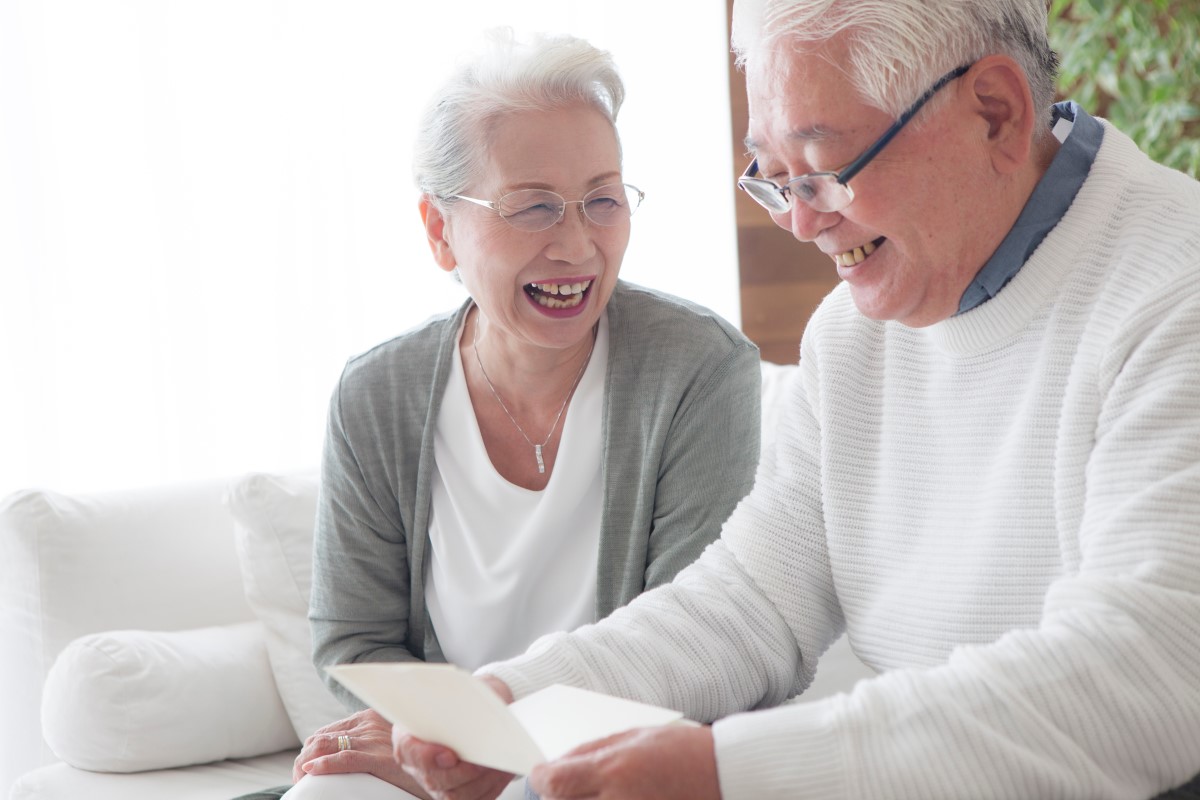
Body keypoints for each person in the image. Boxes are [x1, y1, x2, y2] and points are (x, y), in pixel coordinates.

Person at [393, 1, 1200, 798]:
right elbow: (752, 601)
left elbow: (1152, 673)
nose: (803, 222)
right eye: (777, 177)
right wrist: (519, 699)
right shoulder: (853, 335)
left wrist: (733, 773)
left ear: (994, 113)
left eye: (824, 167)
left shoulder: (1173, 291)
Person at [235, 28, 762, 800]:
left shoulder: (699, 369)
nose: (578, 244)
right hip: (442, 758)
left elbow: (692, 641)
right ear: (439, 230)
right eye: (535, 208)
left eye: (603, 200)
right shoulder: (376, 394)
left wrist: (509, 753)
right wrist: (447, 744)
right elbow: (355, 640)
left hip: (617, 753)